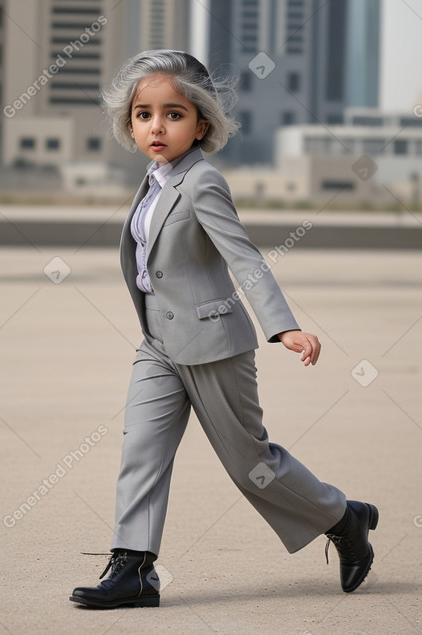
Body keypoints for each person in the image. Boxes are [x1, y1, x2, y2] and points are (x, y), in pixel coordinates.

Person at [70, 50, 378, 609]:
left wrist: (282, 327)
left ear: (202, 123)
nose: (156, 126)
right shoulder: (153, 181)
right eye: (143, 114)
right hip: (159, 345)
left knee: (252, 467)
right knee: (141, 449)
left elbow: (245, 259)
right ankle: (135, 570)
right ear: (129, 122)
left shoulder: (202, 181)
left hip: (214, 347)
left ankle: (344, 517)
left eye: (173, 114)